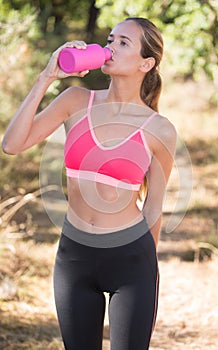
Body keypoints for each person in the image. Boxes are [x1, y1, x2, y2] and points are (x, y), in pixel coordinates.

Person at [2, 17, 176, 350]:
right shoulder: (76, 101)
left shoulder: (160, 129)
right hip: (75, 255)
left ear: (146, 62)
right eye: (110, 39)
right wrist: (47, 77)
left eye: (124, 42)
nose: (111, 46)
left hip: (131, 258)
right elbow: (12, 144)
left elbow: (154, 204)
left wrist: (147, 267)